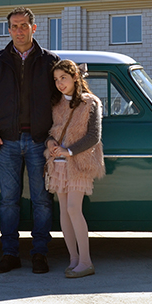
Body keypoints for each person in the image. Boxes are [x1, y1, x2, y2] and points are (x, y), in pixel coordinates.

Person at [0, 7, 60, 274]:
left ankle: (40, 253)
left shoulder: (50, 61)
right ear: (9, 29)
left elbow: (59, 101)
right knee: (8, 201)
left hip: (40, 141)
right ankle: (10, 254)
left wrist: (54, 136)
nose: (19, 31)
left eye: (24, 25)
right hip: (7, 142)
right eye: (14, 26)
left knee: (41, 200)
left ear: (34, 28)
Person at [45, 59, 105, 278]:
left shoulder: (91, 102)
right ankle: (73, 259)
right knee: (63, 211)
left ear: (75, 77)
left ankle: (86, 261)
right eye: (56, 79)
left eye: (64, 78)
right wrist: (51, 144)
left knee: (73, 208)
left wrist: (68, 151)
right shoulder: (56, 104)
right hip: (58, 164)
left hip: (78, 163)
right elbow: (52, 132)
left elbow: (93, 136)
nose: (60, 83)